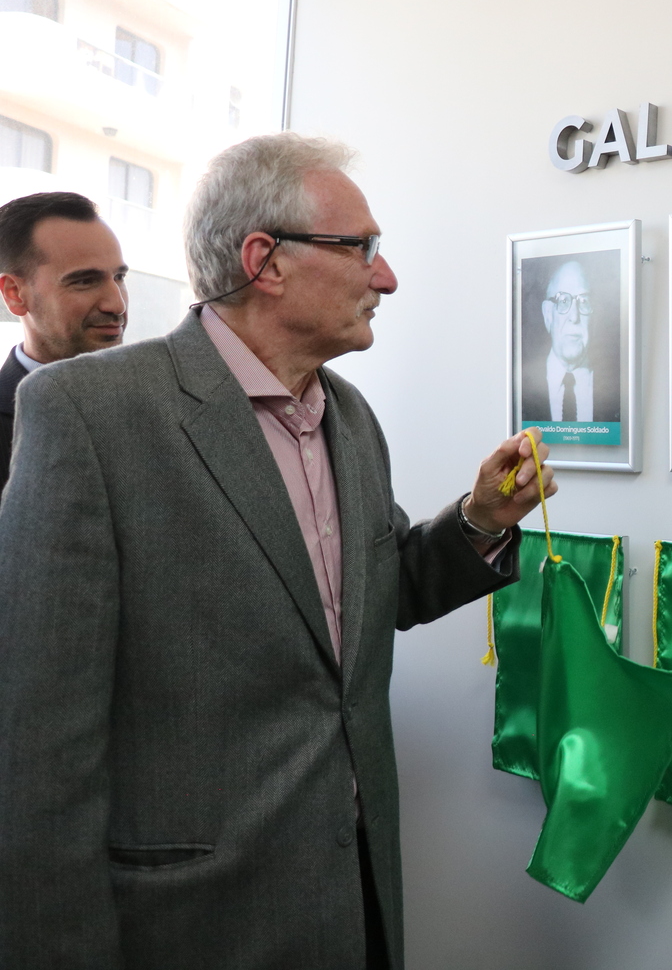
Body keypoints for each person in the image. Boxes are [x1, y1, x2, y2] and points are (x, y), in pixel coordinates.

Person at [0, 133, 556, 970]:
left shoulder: (350, 415)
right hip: (192, 919)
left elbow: (373, 598)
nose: (386, 276)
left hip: (352, 896)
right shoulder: (88, 412)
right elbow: (41, 747)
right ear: (265, 260)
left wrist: (478, 519)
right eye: (361, 248)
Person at [0, 191, 128, 494]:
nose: (117, 304)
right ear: (15, 294)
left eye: (120, 277)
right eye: (84, 281)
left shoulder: (161, 405)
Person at [520, 257, 618, 424]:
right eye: (563, 301)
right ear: (547, 314)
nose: (574, 316)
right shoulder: (523, 386)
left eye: (583, 301)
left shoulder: (617, 388)